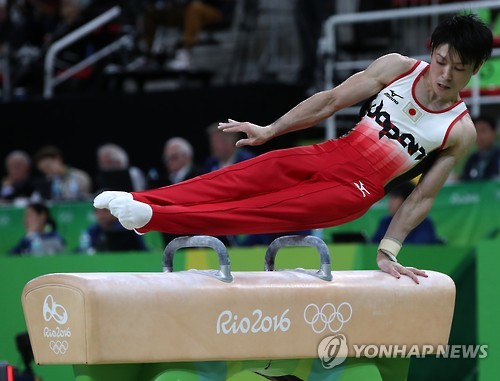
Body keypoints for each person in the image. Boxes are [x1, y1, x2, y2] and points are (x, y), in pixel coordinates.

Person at [94, 13, 493, 284]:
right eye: (441, 61)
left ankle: (151, 217)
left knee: (254, 210)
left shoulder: (459, 130)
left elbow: (422, 195)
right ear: (431, 48)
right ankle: (138, 199)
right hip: (329, 152)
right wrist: (271, 130)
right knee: (237, 177)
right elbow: (329, 101)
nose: (445, 75)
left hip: (353, 191)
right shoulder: (397, 68)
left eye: (459, 69)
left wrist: (388, 250)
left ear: (475, 70)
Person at [139, 0, 236, 70]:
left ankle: (185, 54)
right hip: (184, 10)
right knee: (151, 12)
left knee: (194, 8)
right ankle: (148, 56)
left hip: (216, 11)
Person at [371, 182, 444, 245]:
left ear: (406, 201)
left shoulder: (423, 222)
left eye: (395, 198)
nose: (390, 203)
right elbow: (373, 246)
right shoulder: (385, 222)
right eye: (390, 198)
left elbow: (419, 248)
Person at [77, 206, 148, 253]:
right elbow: (84, 249)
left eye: (105, 211)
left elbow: (143, 251)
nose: (101, 216)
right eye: (98, 212)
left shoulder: (128, 228)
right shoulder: (92, 230)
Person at [459, 115, 499, 181]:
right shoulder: (472, 159)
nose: (480, 135)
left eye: (483, 130)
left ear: (494, 132)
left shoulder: (498, 156)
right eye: (476, 131)